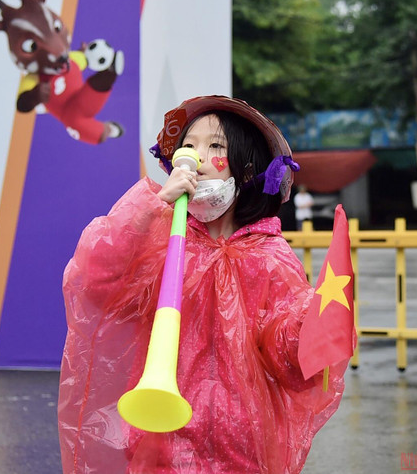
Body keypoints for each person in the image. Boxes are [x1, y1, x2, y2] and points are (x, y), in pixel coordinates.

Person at [58, 95, 346, 474]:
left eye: (215, 146)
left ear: (245, 168)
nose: (196, 157)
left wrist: (314, 322)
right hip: (159, 440)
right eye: (188, 146)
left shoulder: (269, 255)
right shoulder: (157, 238)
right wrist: (153, 207)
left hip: (242, 449)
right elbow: (93, 282)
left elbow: (289, 362)